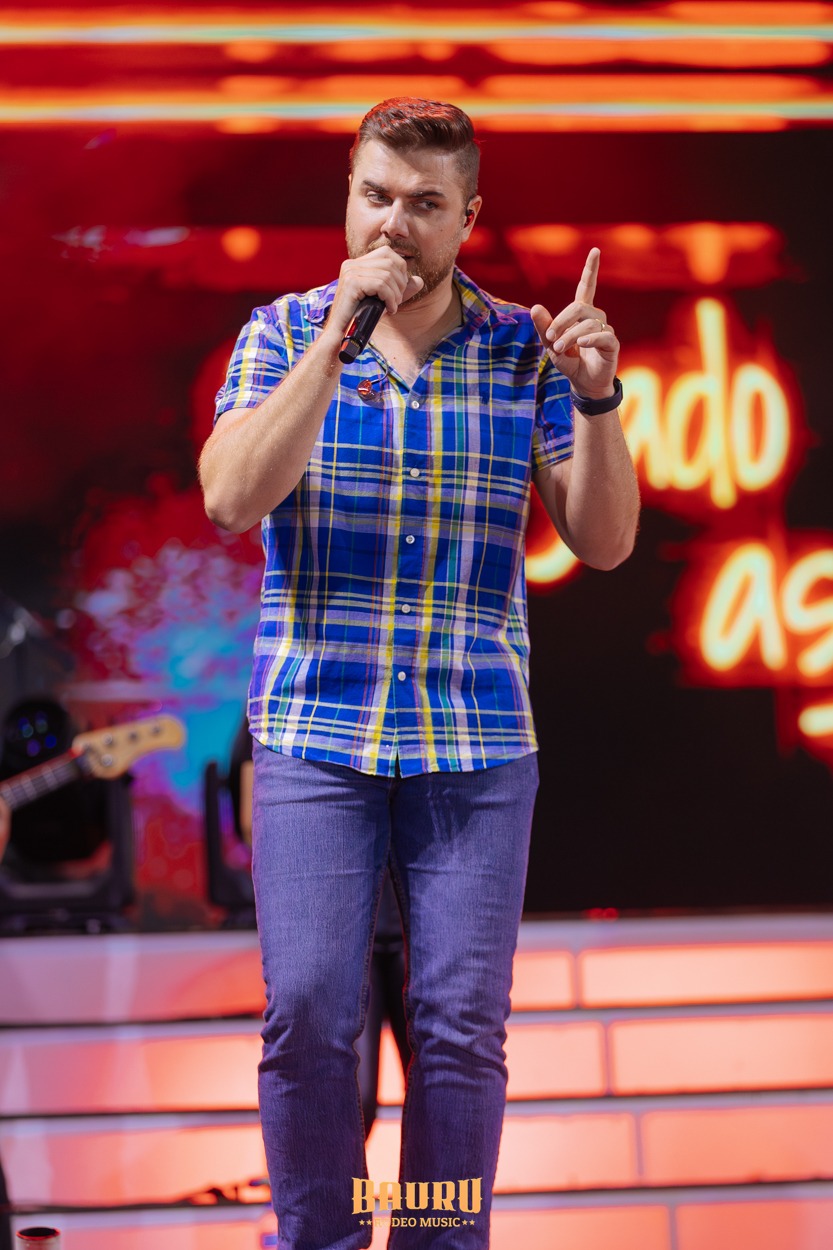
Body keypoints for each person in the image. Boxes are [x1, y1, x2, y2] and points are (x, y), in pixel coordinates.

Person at [199, 97, 639, 1249]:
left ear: (466, 217)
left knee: (456, 1031)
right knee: (306, 1013)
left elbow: (602, 540)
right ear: (348, 197)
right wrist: (333, 343)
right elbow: (230, 497)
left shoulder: (519, 350)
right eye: (375, 196)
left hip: (472, 740)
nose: (394, 223)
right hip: (314, 729)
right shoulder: (280, 332)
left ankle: (437, 1239)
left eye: (424, 203)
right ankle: (323, 1235)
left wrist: (597, 396)